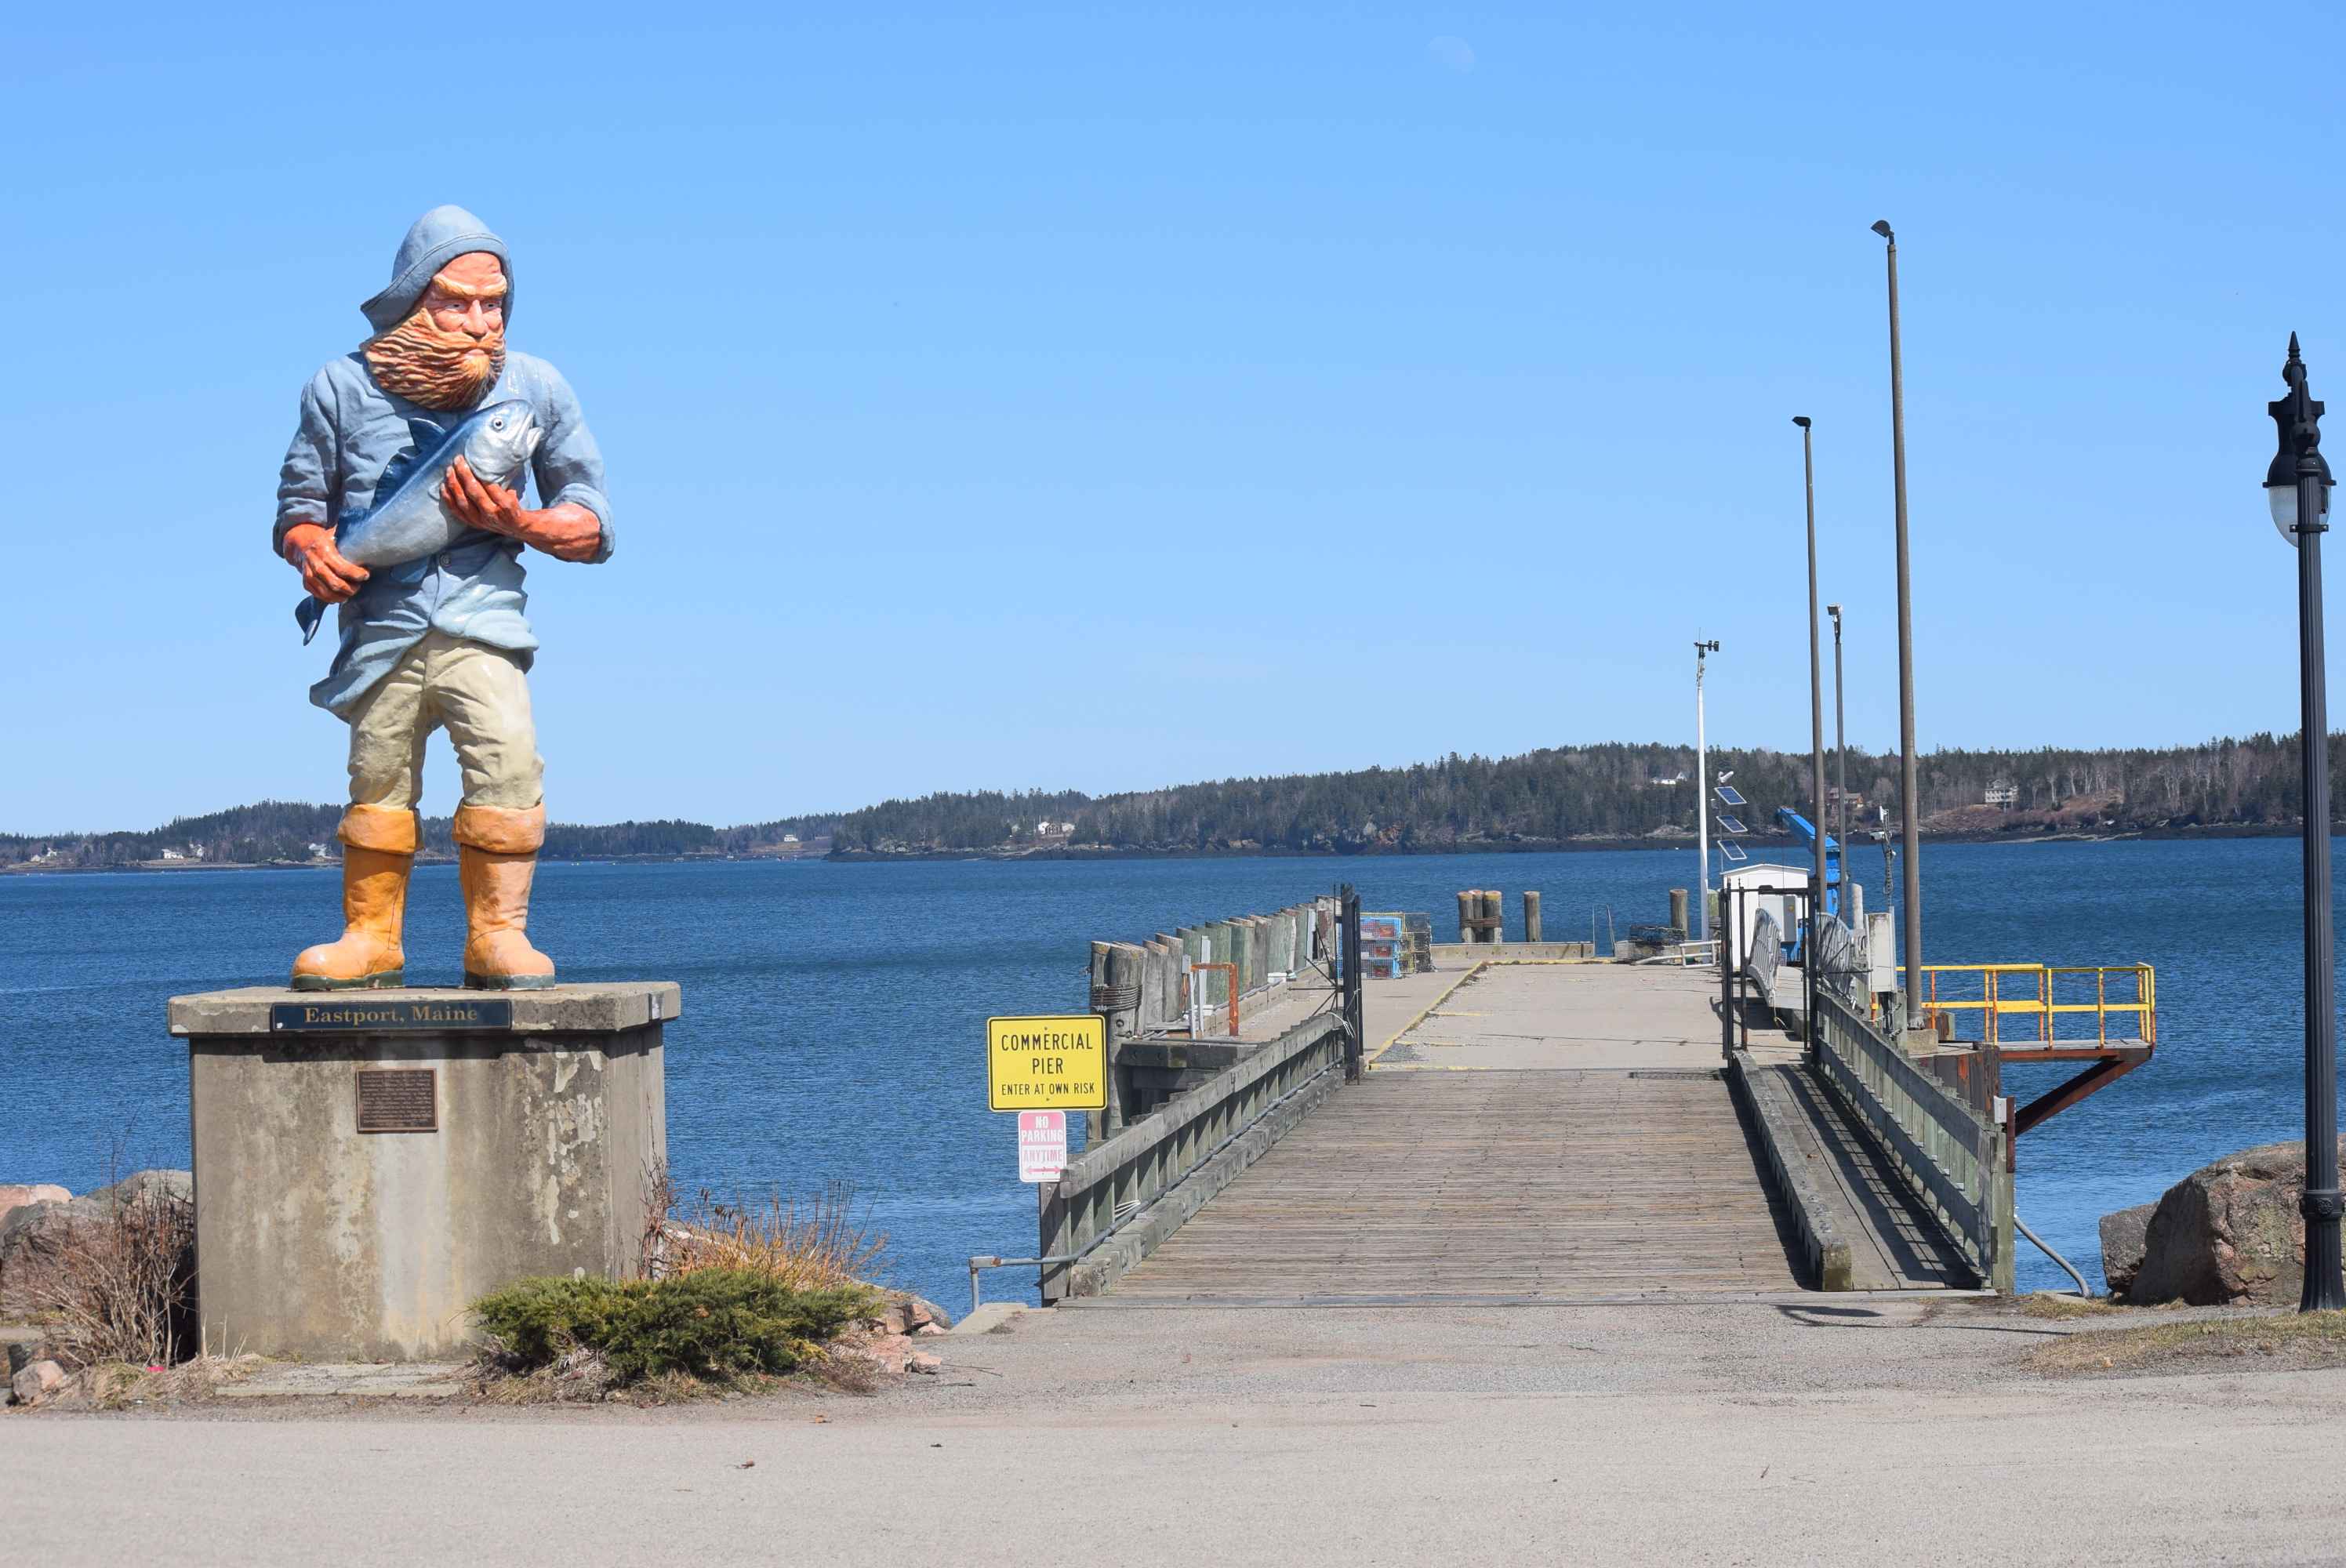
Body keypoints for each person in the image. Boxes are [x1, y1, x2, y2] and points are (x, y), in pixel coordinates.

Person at [275, 205, 613, 990]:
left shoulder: (536, 389)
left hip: (483, 623)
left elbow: (593, 523)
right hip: (380, 628)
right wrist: (311, 552)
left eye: (494, 304)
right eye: (456, 303)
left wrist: (521, 522)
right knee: (377, 776)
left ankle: (498, 935)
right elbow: (298, 510)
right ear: (410, 299)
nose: (479, 323)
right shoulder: (339, 387)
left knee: (507, 762)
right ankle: (370, 937)